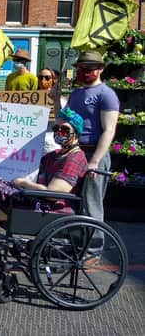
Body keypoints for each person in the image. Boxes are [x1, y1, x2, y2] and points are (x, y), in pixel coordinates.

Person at [0, 108, 88, 272]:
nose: (59, 132)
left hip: (54, 211)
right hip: (42, 203)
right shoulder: (56, 154)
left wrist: (25, 184)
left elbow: (54, 193)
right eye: (56, 128)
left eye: (65, 129)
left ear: (76, 132)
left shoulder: (74, 158)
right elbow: (24, 161)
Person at [63, 51, 119, 253]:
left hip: (94, 153)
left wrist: (95, 161)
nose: (83, 73)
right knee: (73, 201)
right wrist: (54, 101)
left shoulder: (106, 95)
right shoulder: (76, 94)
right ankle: (77, 243)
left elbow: (109, 130)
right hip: (75, 153)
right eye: (80, 69)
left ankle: (93, 249)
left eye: (88, 69)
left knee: (92, 203)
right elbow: (64, 120)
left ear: (100, 69)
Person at [39, 67, 67, 154]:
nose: (43, 80)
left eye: (47, 78)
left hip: (51, 146)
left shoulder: (62, 101)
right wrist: (0, 96)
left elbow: (63, 122)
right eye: (40, 77)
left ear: (53, 80)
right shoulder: (31, 99)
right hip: (33, 148)